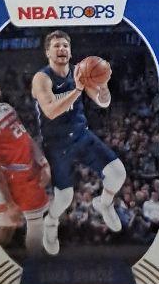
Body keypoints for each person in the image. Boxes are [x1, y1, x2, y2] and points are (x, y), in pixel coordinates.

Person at [32, 31, 127, 256]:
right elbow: (50, 111)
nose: (62, 49)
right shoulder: (41, 78)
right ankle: (51, 221)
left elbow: (103, 102)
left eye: (65, 45)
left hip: (81, 136)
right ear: (47, 52)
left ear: (71, 51)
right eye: (56, 46)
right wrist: (77, 90)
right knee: (64, 198)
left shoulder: (80, 71)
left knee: (117, 173)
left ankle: (104, 203)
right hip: (57, 144)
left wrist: (103, 86)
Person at [0, 75, 51, 251]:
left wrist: (43, 162)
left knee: (7, 230)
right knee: (32, 224)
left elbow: (26, 137)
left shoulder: (6, 107)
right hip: (12, 178)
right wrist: (11, 204)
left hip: (28, 171)